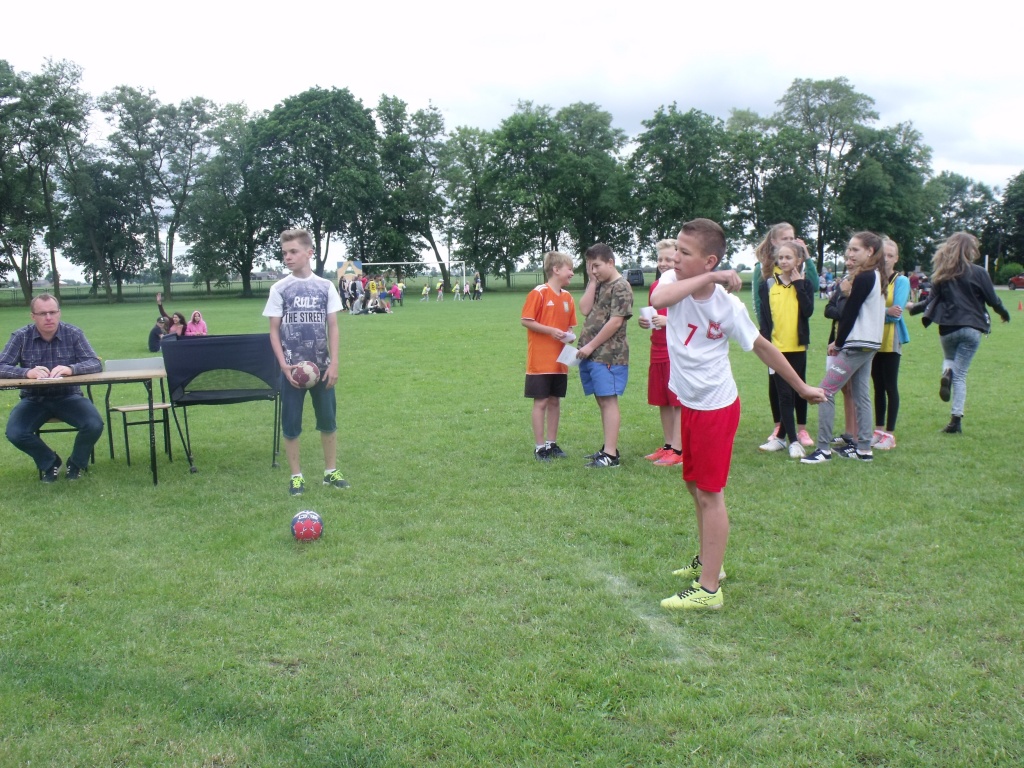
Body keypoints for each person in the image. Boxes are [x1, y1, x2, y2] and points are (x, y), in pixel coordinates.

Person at [652, 220, 824, 611]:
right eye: (675, 250)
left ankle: (709, 590)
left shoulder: (728, 306)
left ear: (709, 259)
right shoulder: (670, 284)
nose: (676, 258)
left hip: (716, 406)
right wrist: (710, 275)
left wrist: (801, 388)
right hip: (691, 404)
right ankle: (711, 563)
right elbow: (662, 301)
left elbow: (762, 346)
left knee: (711, 494)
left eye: (685, 253)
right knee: (694, 487)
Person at [263, 228, 350, 496]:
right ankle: (296, 476)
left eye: (293, 252)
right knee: (291, 425)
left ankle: (330, 472)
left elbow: (333, 326)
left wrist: (334, 363)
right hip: (292, 372)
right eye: (284, 253)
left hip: (322, 369)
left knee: (328, 421)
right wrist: (284, 365)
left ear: (309, 253)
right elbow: (274, 331)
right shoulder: (280, 288)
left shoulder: (325, 287)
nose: (287, 257)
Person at [908, 232, 1010, 433]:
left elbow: (929, 302)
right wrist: (1004, 313)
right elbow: (993, 299)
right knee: (961, 374)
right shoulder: (979, 272)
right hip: (972, 328)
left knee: (949, 359)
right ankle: (955, 420)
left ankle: (947, 372)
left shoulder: (942, 274)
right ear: (969, 250)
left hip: (947, 328)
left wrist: (913, 308)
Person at [802, 232, 888, 464]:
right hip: (870, 344)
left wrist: (838, 343)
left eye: (855, 249)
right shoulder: (878, 275)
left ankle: (823, 449)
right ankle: (863, 449)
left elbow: (850, 313)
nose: (850, 253)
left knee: (824, 392)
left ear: (870, 251)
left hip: (857, 344)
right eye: (849, 249)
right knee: (861, 395)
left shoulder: (865, 276)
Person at [1, 294, 105, 481]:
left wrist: (71, 369)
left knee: (94, 424)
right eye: (42, 313)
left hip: (69, 397)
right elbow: (1, 366)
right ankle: (50, 462)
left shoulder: (73, 334)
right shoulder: (20, 337)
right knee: (15, 433)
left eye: (52, 312)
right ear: (33, 316)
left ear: (59, 313)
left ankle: (76, 463)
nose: (48, 317)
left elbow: (95, 363)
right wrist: (26, 373)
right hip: (34, 399)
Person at [751, 223, 818, 450]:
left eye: (789, 257)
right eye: (781, 258)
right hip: (775, 349)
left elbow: (808, 311)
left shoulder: (804, 283)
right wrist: (765, 341)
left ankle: (782, 438)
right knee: (784, 395)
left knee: (798, 390)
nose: (784, 262)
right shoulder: (768, 283)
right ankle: (793, 442)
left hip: (798, 347)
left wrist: (799, 285)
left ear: (798, 260)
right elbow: (764, 315)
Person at [576, 243, 633, 468]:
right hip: (593, 354)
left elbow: (616, 321)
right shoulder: (599, 283)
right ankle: (607, 448)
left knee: (609, 401)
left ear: (611, 262)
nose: (594, 270)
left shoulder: (621, 286)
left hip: (609, 355)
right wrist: (592, 281)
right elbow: (584, 308)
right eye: (590, 267)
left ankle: (611, 455)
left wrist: (590, 346)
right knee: (602, 399)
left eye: (597, 266)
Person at [521, 251, 577, 461]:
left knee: (555, 401)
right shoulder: (539, 293)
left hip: (560, 361)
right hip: (540, 361)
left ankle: (551, 444)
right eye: (569, 269)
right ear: (556, 270)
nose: (572, 272)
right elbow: (526, 320)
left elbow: (570, 324)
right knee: (541, 402)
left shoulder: (568, 297)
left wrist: (569, 335)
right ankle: (539, 447)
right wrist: (550, 331)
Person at [639, 239, 683, 466]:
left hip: (675, 350)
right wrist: (646, 322)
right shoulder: (655, 286)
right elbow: (653, 314)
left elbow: (691, 320)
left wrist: (669, 321)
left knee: (677, 401)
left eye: (669, 259)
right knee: (662, 400)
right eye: (660, 260)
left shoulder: (683, 284)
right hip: (656, 348)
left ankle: (678, 449)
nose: (664, 264)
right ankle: (667, 445)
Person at [870, 239, 911, 450]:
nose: (885, 259)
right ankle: (878, 430)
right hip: (872, 339)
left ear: (896, 259)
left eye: (890, 255)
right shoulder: (873, 278)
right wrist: (884, 312)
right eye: (882, 254)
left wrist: (879, 313)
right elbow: (868, 310)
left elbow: (897, 314)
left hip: (891, 340)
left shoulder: (901, 281)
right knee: (877, 386)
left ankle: (890, 434)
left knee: (890, 386)